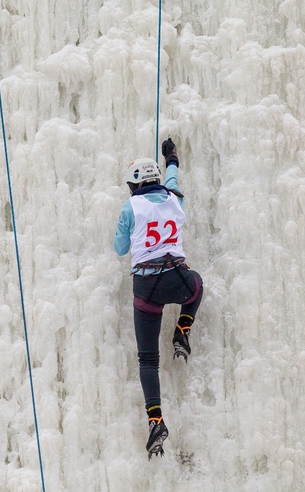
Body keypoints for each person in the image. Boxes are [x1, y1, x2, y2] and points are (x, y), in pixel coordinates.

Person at [112, 138, 204, 460]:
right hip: (177, 278)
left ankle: (155, 421)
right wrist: (172, 156)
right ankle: (183, 329)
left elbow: (120, 248)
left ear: (134, 185)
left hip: (147, 288)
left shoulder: (130, 207)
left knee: (148, 359)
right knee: (197, 286)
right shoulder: (174, 198)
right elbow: (173, 178)